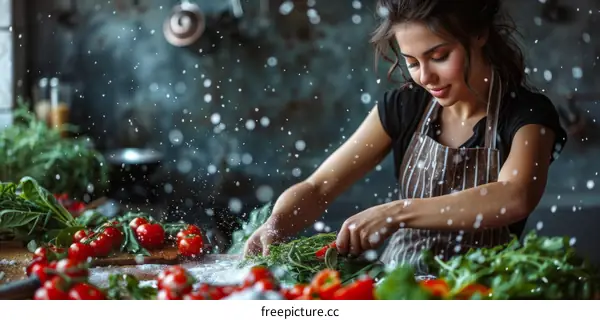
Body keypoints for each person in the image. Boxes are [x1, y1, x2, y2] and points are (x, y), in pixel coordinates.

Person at [243, 0, 567, 274]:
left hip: (483, 288)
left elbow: (515, 195)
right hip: (399, 286)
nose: (426, 77)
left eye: (439, 56)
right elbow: (319, 186)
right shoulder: (405, 105)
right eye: (412, 62)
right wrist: (277, 223)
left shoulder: (527, 114)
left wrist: (396, 213)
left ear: (478, 34)